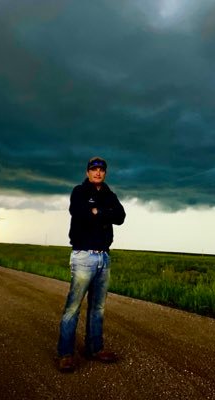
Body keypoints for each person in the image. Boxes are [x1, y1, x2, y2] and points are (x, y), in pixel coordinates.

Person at [57, 157, 126, 372]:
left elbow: (121, 216)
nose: (97, 173)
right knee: (73, 307)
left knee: (98, 307)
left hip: (104, 257)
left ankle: (95, 348)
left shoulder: (109, 194)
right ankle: (66, 354)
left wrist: (98, 212)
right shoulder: (79, 192)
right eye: (94, 169)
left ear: (105, 173)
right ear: (87, 172)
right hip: (83, 256)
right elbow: (79, 213)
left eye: (101, 170)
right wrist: (104, 214)